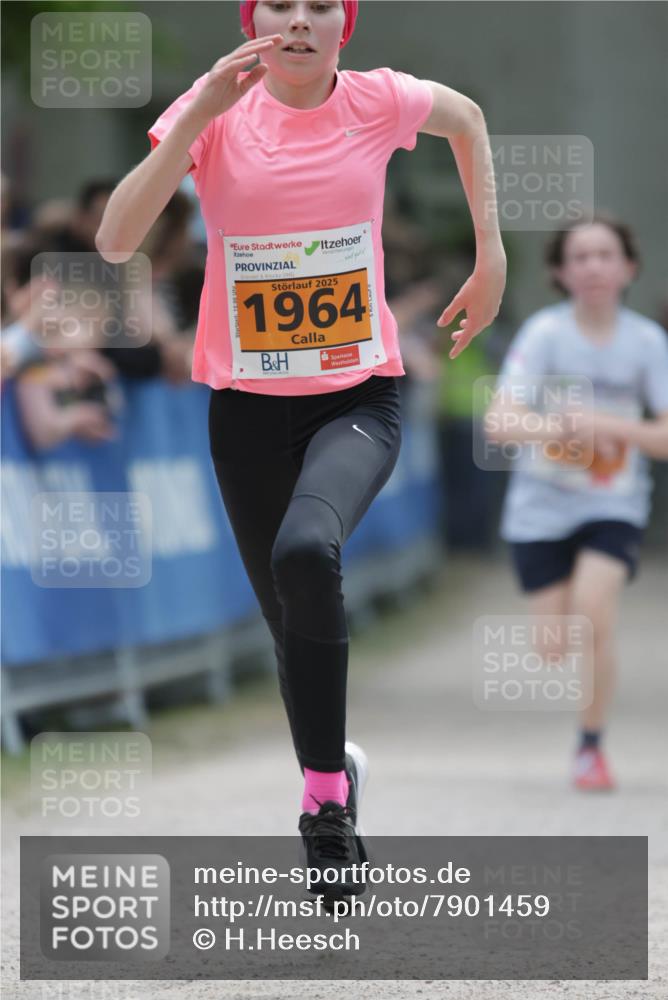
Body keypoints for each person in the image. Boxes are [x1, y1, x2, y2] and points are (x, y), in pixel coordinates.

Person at [96, 0, 506, 897]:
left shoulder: (378, 101)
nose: (297, 20)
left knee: (306, 550)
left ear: (343, 26)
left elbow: (468, 118)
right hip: (244, 412)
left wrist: (491, 256)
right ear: (254, 20)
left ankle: (321, 813)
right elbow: (116, 237)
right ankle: (334, 780)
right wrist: (194, 122)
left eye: (320, 6)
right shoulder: (214, 109)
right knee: (294, 629)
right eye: (278, 4)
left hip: (357, 400)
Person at [485, 214, 668, 791]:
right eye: (580, 257)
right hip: (540, 507)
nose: (593, 266)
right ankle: (577, 705)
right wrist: (558, 434)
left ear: (628, 267)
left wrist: (607, 426)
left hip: (613, 503)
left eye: (605, 255)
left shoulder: (646, 342)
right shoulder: (544, 334)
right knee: (551, 646)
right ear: (561, 273)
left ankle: (591, 748)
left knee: (595, 614)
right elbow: (498, 421)